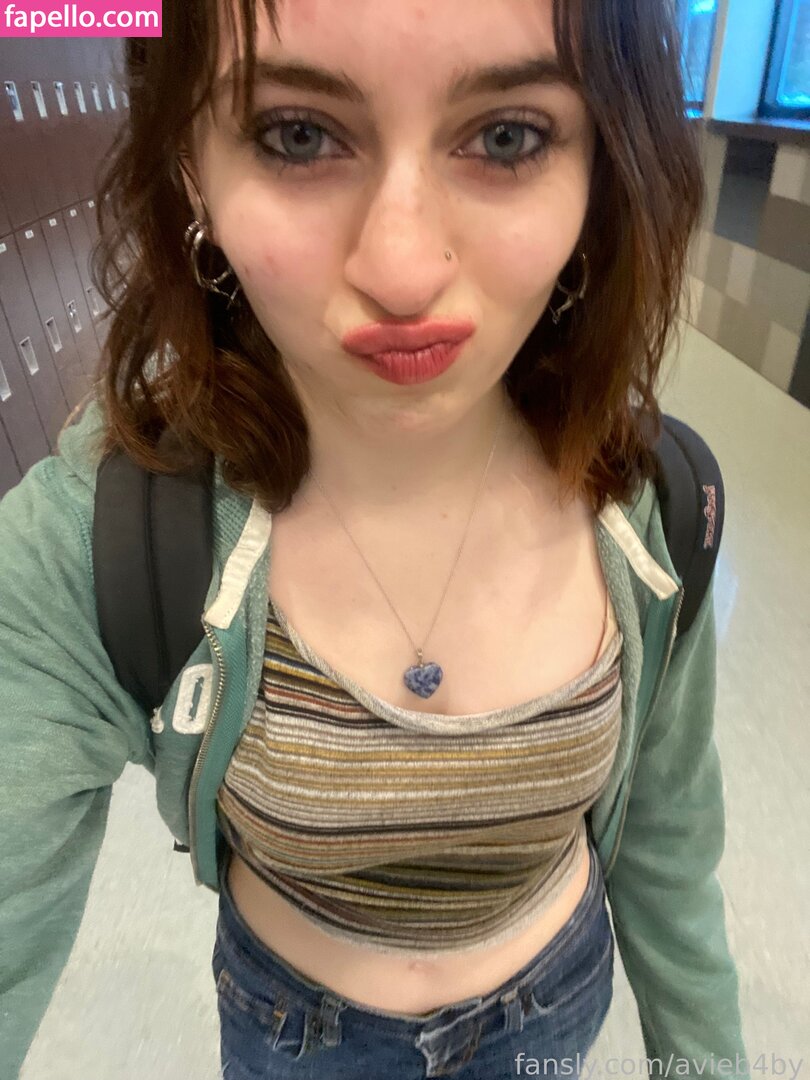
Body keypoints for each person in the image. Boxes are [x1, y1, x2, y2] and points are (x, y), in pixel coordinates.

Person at [0, 0, 749, 1077]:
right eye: (298, 134)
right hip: (293, 1037)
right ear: (193, 167)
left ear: (601, 170)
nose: (400, 271)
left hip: (558, 1005)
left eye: (507, 136)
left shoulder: (649, 502)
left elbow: (671, 842)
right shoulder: (106, 533)